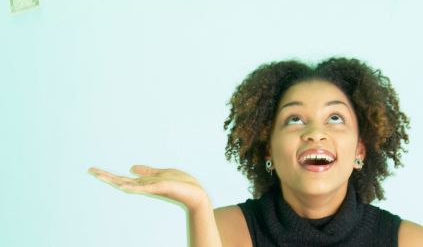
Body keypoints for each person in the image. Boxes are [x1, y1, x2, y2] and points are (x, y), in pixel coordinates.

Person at [88, 57, 423, 246]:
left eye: (335, 118)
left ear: (360, 150)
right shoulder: (227, 228)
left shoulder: (409, 240)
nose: (315, 133)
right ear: (268, 148)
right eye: (294, 119)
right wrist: (197, 207)